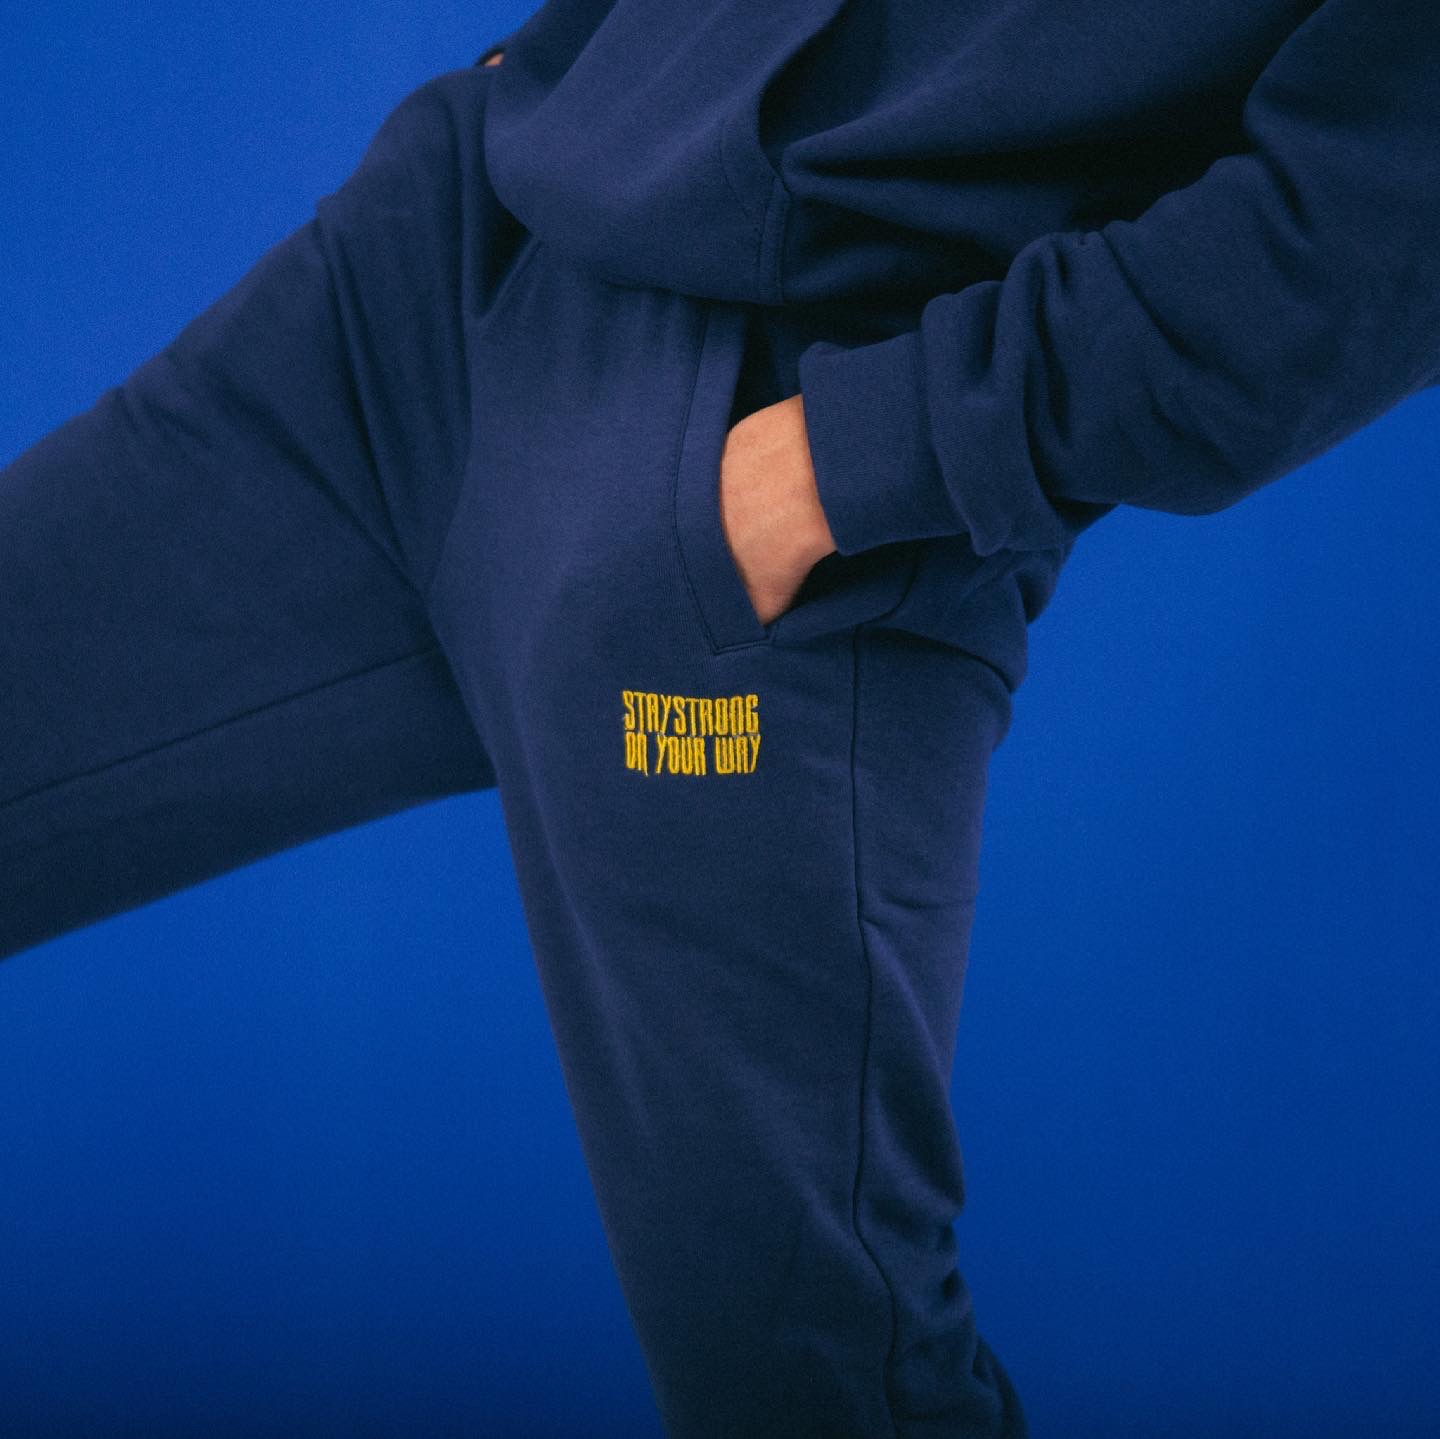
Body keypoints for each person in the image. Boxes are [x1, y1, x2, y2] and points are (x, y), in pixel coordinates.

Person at [3, 3, 1436, 1435]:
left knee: (815, 1383)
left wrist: (848, 459)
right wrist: (585, 60)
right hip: (445, 266)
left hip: (768, 456)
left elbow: (1367, 234)